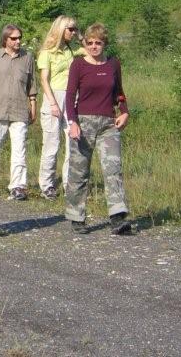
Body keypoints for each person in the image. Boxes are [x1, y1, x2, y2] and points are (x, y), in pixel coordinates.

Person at [65, 23, 132, 235]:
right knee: (79, 171)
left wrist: (124, 111)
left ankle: (117, 217)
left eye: (98, 43)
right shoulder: (78, 65)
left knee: (113, 169)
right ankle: (77, 216)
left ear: (105, 43)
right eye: (90, 43)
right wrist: (73, 122)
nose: (94, 47)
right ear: (85, 44)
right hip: (83, 122)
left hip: (107, 123)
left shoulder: (113, 64)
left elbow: (119, 92)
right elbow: (69, 96)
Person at [0, 25, 38, 200]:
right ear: (5, 39)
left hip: (20, 110)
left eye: (19, 37)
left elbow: (32, 84)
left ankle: (18, 186)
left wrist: (33, 104)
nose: (18, 41)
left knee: (19, 149)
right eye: (14, 38)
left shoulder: (27, 58)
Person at [37, 16, 85, 199]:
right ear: (60, 29)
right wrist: (52, 103)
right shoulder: (47, 53)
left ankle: (69, 183)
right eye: (70, 29)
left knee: (73, 142)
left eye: (75, 29)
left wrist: (80, 35)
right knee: (52, 144)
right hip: (54, 96)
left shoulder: (72, 50)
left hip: (72, 97)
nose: (73, 33)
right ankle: (47, 185)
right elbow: (43, 80)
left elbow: (90, 49)